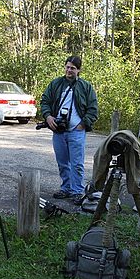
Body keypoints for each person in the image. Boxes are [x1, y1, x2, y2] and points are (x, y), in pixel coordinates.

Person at [40, 55, 98, 205]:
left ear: (79, 70)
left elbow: (93, 109)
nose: (69, 70)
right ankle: (65, 188)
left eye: (73, 68)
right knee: (62, 162)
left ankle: (77, 190)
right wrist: (48, 117)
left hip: (77, 131)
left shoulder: (86, 87)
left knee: (77, 163)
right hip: (58, 130)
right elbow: (45, 101)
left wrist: (83, 124)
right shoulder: (56, 84)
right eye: (67, 67)